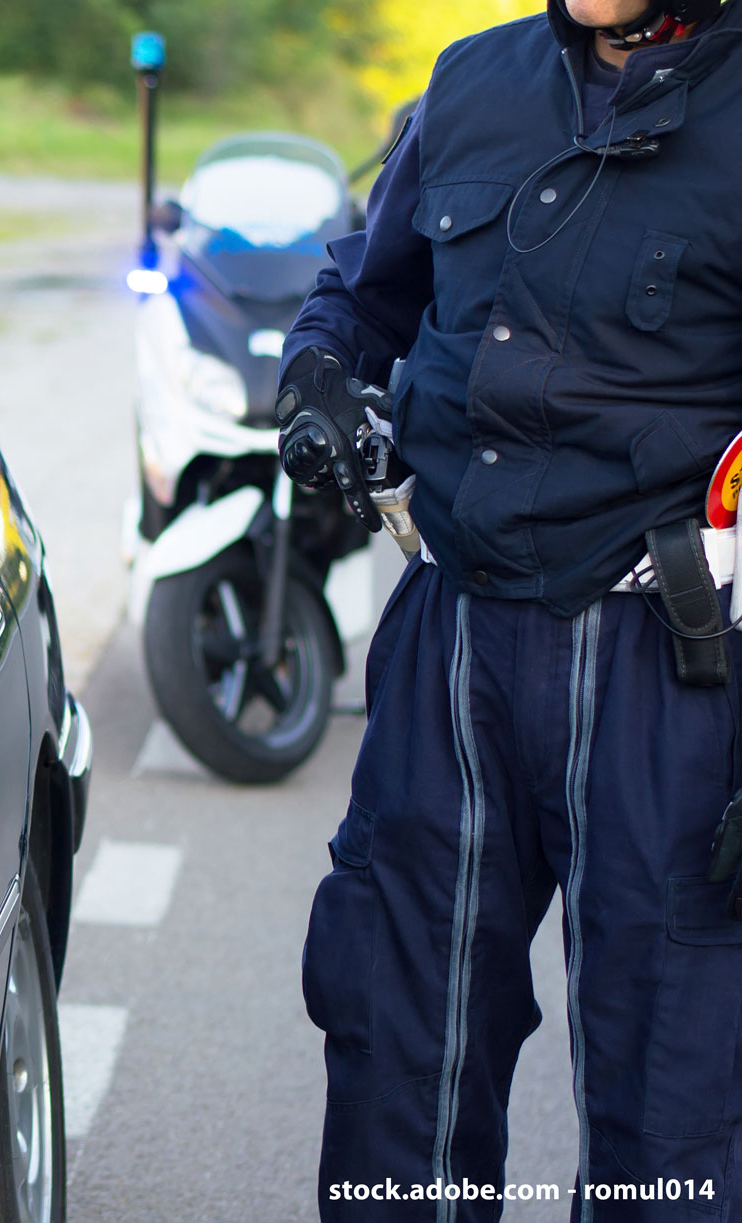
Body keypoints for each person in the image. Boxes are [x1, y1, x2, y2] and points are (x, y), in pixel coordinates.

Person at [276, 0, 742, 1217]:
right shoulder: (473, 82)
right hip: (453, 635)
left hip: (669, 667)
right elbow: (363, 290)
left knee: (677, 1105)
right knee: (396, 1047)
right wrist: (321, 373)